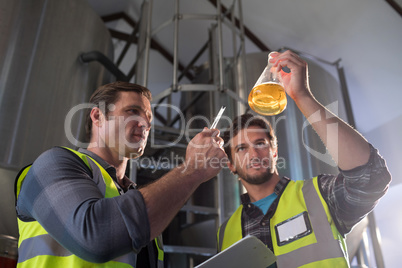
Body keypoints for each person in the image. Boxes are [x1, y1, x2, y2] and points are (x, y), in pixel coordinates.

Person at [15, 81, 227, 267]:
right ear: (98, 115)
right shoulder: (52, 165)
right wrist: (192, 169)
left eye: (149, 118)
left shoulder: (134, 196)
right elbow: (95, 236)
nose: (145, 124)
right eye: (133, 111)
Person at [217, 50, 391, 267]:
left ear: (274, 152)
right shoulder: (225, 233)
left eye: (260, 144)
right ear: (230, 164)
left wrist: (302, 96)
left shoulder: (320, 195)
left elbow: (370, 177)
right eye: (241, 148)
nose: (253, 154)